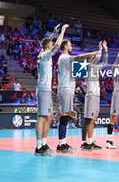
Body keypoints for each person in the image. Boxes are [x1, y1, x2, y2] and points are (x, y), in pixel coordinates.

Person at [57, 39, 99, 153]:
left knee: (66, 117)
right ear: (65, 47)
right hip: (65, 89)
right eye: (70, 45)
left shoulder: (67, 61)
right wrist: (91, 54)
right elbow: (79, 57)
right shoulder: (64, 58)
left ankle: (63, 143)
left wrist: (94, 58)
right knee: (64, 117)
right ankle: (61, 144)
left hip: (69, 89)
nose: (71, 47)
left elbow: (82, 67)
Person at [35, 23, 69, 156]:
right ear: (48, 46)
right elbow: (56, 46)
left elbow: (48, 43)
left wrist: (54, 33)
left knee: (49, 116)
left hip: (46, 90)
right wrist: (62, 32)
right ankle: (38, 147)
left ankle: (43, 144)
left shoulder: (41, 52)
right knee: (41, 117)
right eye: (51, 42)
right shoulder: (45, 55)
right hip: (43, 89)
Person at [81, 41, 108, 150]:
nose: (93, 57)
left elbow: (105, 62)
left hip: (96, 96)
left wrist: (105, 50)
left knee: (93, 119)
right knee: (88, 119)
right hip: (91, 95)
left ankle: (90, 141)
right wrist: (100, 49)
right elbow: (97, 58)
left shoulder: (95, 68)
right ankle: (83, 142)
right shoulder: (86, 67)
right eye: (91, 56)